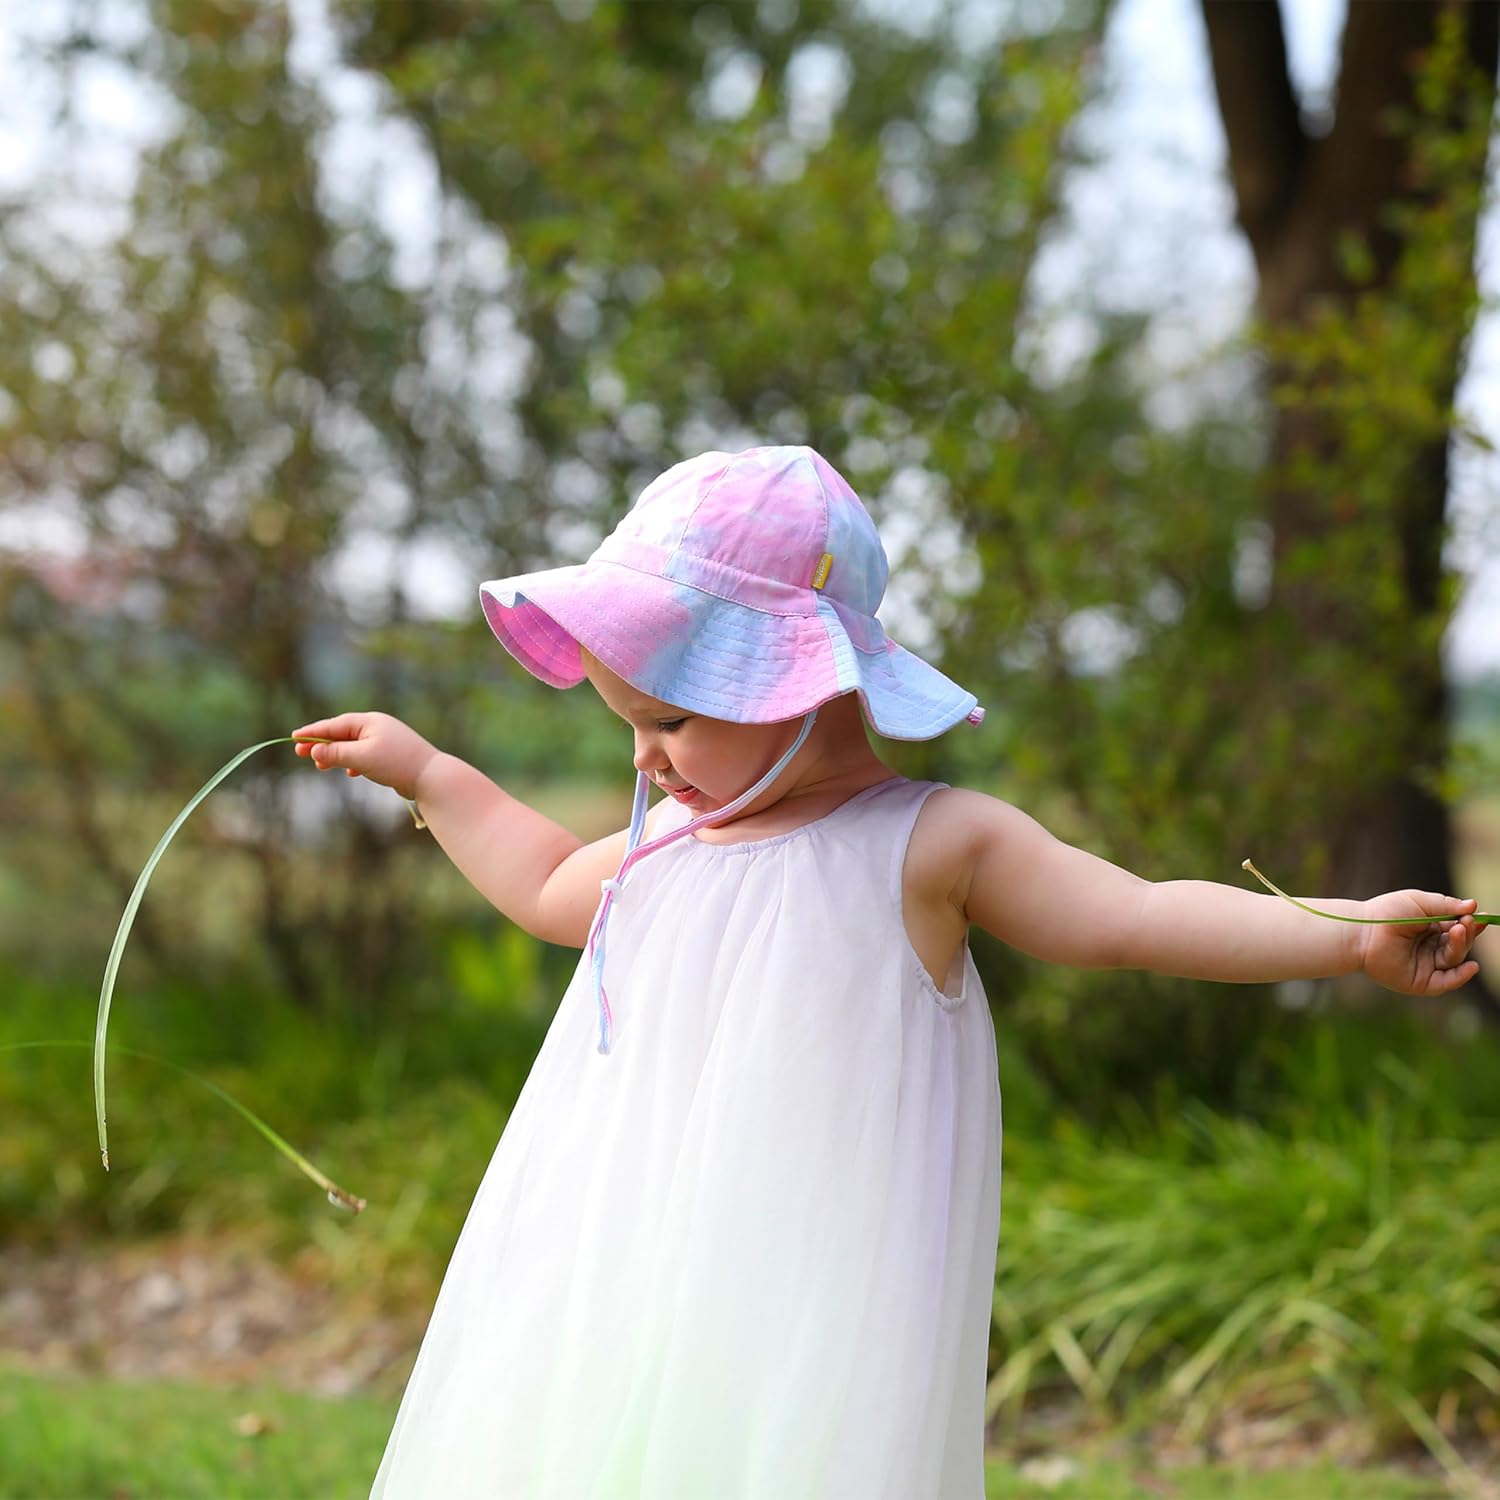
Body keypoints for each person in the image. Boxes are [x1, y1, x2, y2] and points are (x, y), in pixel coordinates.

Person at [292, 445, 1483, 1500]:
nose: (648, 761)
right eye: (631, 727)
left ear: (800, 681)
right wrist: (432, 776)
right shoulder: (667, 844)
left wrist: (1345, 930)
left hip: (818, 1293)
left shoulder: (932, 845)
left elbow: (1136, 915)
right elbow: (549, 884)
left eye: (672, 721)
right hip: (630, 1254)